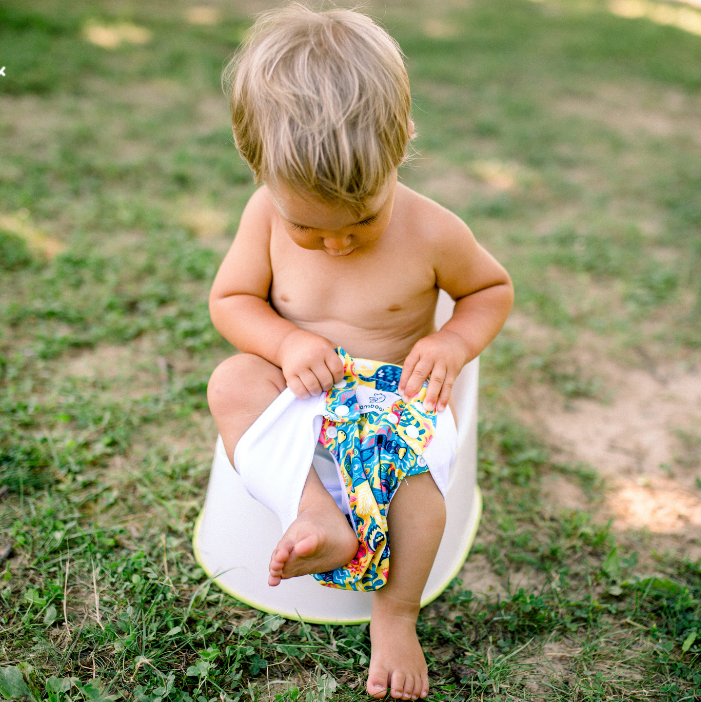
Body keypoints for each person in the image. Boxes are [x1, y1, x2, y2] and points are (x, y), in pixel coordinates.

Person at [207, 4, 513, 699]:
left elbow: (490, 290)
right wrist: (283, 341)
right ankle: (313, 509)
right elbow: (230, 302)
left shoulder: (433, 230)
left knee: (421, 493)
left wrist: (450, 340)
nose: (336, 244)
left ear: (401, 142)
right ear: (257, 166)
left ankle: (396, 612)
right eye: (309, 228)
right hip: (299, 397)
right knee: (230, 383)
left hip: (389, 404)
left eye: (362, 220)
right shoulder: (263, 214)